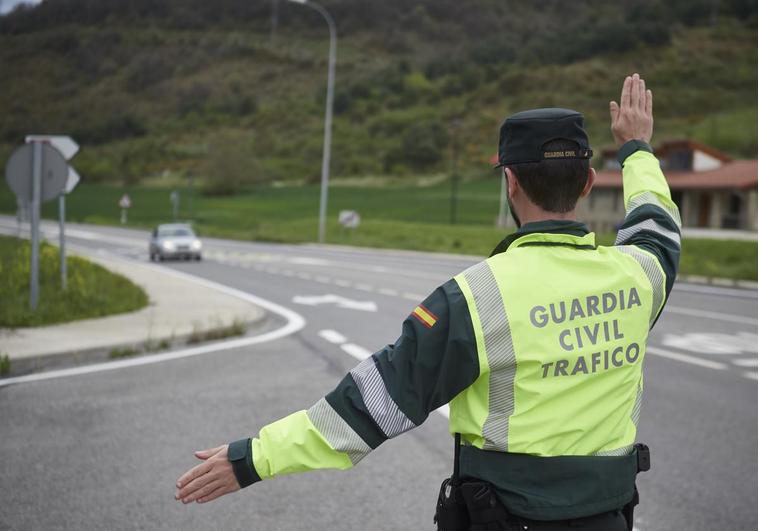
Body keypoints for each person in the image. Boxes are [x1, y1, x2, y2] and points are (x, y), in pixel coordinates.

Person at [175, 73, 680, 531]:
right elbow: (657, 224)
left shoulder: (474, 297)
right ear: (589, 183)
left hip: (505, 520)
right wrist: (635, 148)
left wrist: (252, 459)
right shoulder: (640, 275)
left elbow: (370, 405)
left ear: (510, 182)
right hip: (610, 518)